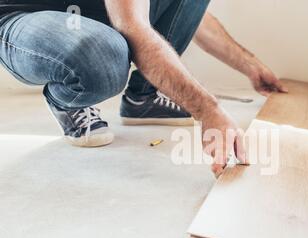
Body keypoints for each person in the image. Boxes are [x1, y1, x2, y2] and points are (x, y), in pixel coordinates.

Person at [0, 0, 287, 176]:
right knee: (102, 56)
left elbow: (193, 17)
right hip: (22, 20)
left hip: (83, 17)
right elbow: (133, 27)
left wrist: (250, 66)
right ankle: (67, 99)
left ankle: (143, 98)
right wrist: (207, 110)